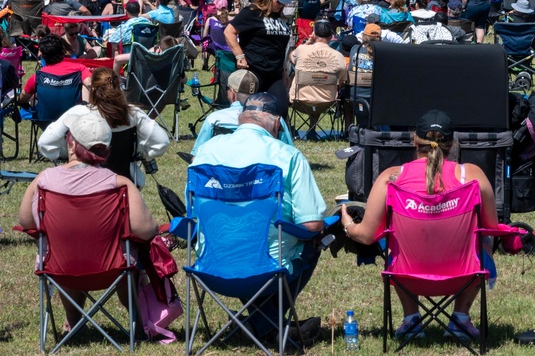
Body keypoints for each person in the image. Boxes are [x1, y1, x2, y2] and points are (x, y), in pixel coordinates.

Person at [341, 109, 499, 341]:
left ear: (414, 139)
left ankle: (412, 319)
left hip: (406, 276)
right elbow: (492, 227)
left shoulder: (392, 178)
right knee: (484, 235)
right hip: (464, 274)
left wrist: (347, 224)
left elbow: (366, 236)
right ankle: (460, 318)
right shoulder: (472, 176)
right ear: (452, 143)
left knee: (389, 237)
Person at [192, 93, 327, 339]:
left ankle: (254, 324)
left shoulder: (204, 153)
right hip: (267, 269)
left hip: (211, 265)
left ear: (241, 119)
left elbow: (192, 212)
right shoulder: (288, 156)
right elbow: (312, 224)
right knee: (317, 238)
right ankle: (265, 327)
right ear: (277, 125)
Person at [18, 110, 159, 335]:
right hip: (112, 271)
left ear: (72, 145)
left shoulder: (43, 181)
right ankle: (137, 323)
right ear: (106, 151)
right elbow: (147, 230)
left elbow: (25, 221)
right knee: (128, 253)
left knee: (67, 247)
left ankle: (73, 319)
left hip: (59, 268)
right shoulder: (120, 185)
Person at [37, 67, 169, 188]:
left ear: (92, 89)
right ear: (118, 88)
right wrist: (140, 154)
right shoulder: (133, 114)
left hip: (83, 186)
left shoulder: (78, 113)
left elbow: (45, 144)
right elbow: (161, 143)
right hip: (122, 186)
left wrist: (68, 154)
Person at [225, 0, 293, 116]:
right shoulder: (252, 12)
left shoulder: (279, 17)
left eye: (283, 2)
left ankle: (276, 137)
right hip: (253, 70)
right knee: (251, 111)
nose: (281, 5)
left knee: (281, 110)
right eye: (278, 1)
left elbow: (281, 47)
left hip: (274, 73)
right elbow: (229, 32)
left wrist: (284, 70)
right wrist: (240, 56)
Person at [289, 20, 347, 137]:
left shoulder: (302, 50)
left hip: (299, 101)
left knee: (309, 87)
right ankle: (312, 129)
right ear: (331, 37)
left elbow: (291, 58)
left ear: (314, 34)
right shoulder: (338, 55)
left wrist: (307, 43)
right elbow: (343, 80)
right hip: (327, 102)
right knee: (320, 88)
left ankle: (290, 129)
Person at [19, 34, 92, 107]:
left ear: (42, 55)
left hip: (46, 117)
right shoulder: (80, 69)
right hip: (74, 116)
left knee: (33, 97)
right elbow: (91, 86)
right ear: (63, 50)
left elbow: (22, 98)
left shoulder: (37, 77)